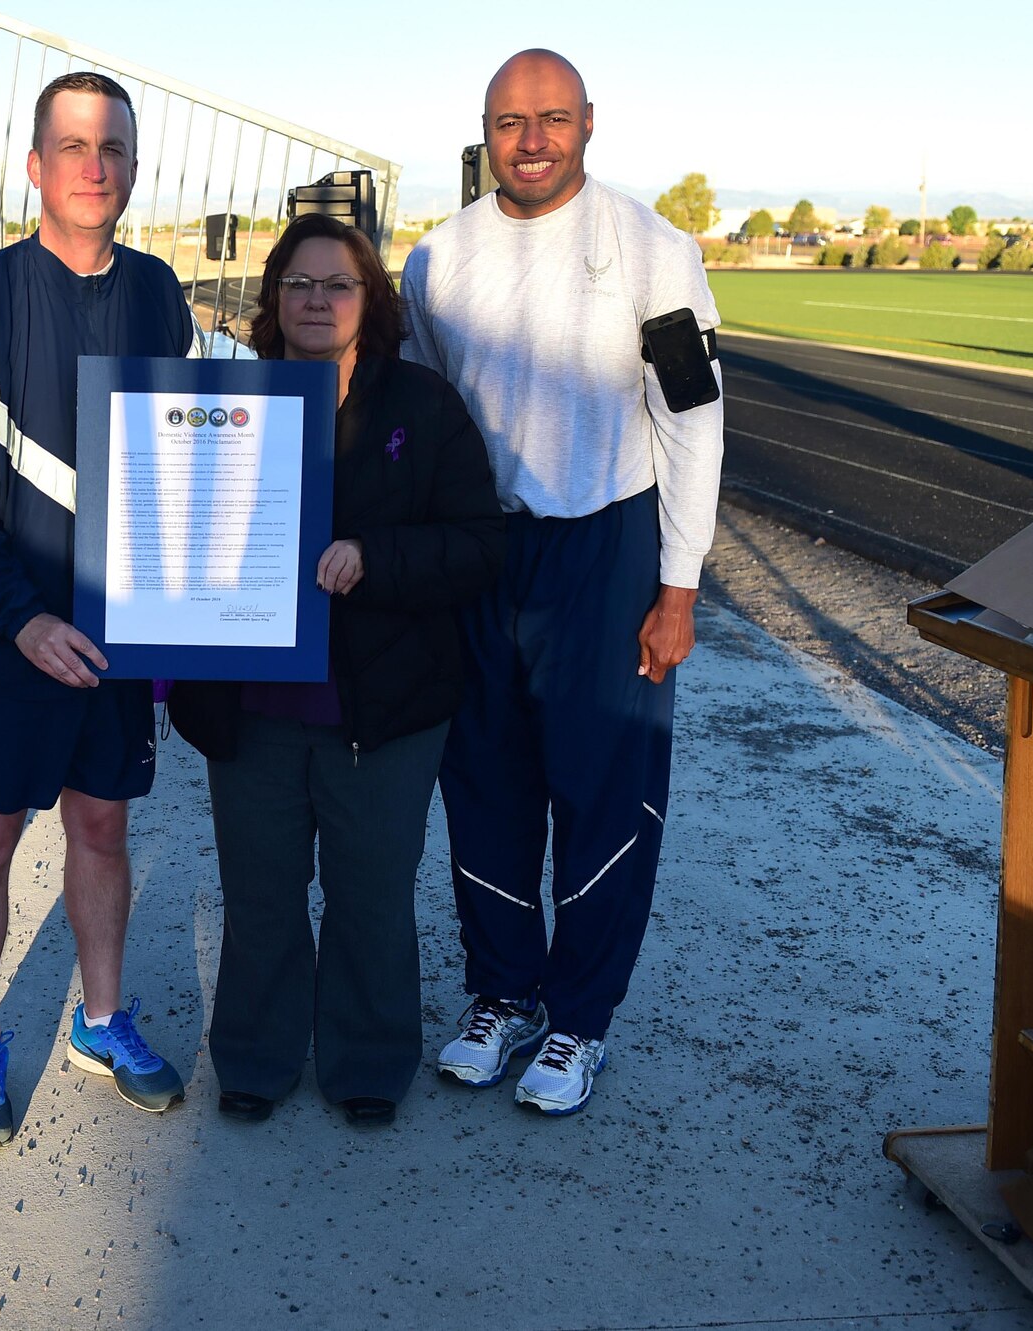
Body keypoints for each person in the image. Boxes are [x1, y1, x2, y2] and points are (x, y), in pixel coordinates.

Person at [401, 49, 725, 1116]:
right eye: (506, 122)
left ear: (586, 122)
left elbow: (690, 420)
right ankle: (501, 993)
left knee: (602, 788)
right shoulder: (435, 262)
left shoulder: (650, 248)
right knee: (484, 783)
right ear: (482, 131)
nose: (529, 140)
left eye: (548, 118)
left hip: (606, 546)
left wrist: (676, 587)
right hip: (485, 555)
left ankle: (579, 1017)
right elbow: (428, 423)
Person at [0, 71, 200, 1153]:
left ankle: (99, 1017)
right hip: (10, 637)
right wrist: (16, 618)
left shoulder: (160, 294)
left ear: (131, 168)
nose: (93, 164)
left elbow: (185, 462)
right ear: (34, 166)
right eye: (72, 145)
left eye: (112, 147)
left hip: (119, 635)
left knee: (101, 823)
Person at [167, 215, 502, 1128]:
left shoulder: (423, 407)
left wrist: (375, 555)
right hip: (253, 705)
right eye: (300, 284)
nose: (318, 300)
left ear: (370, 300)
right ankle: (256, 1057)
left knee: (372, 892)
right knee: (262, 889)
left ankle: (366, 1062)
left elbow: (480, 545)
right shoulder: (224, 400)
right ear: (274, 298)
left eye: (338, 284)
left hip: (385, 706)